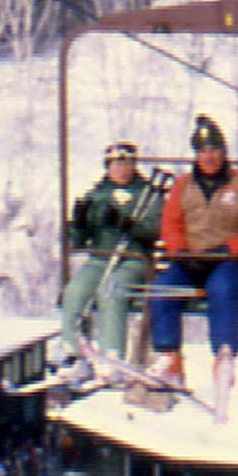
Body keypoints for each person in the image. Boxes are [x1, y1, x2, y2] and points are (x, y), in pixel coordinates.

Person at [147, 114, 238, 418]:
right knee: (162, 289)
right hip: (190, 259)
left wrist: (229, 248)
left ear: (223, 153)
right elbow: (169, 223)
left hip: (223, 260)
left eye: (214, 151)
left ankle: (224, 355)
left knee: (222, 290)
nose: (208, 158)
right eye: (203, 151)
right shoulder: (183, 186)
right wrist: (179, 250)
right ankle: (169, 356)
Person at [58, 141, 163, 384]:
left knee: (111, 292)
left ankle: (112, 356)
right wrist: (79, 224)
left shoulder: (147, 194)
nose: (122, 169)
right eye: (117, 164)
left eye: (127, 163)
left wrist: (129, 224)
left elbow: (156, 228)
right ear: (108, 166)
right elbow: (79, 239)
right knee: (73, 293)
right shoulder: (98, 194)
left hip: (132, 259)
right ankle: (74, 354)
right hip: (101, 257)